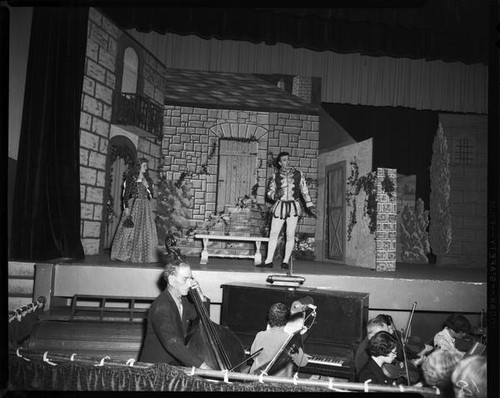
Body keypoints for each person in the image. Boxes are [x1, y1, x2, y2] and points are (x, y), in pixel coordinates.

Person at [139, 261, 211, 369]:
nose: (190, 283)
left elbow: (202, 317)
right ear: (172, 280)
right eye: (185, 279)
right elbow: (173, 344)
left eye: (190, 278)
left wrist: (200, 295)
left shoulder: (183, 300)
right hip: (155, 367)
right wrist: (202, 365)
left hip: (173, 364)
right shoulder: (162, 307)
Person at [257, 152, 316, 269]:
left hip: (293, 207)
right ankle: (268, 261)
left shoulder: (299, 174)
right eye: (284, 160)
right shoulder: (275, 176)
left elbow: (304, 191)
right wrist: (275, 195)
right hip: (279, 207)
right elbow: (269, 192)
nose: (287, 162)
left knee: (290, 234)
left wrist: (310, 206)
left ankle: (285, 261)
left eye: (288, 159)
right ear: (280, 163)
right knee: (273, 234)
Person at [111, 158, 159, 263]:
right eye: (144, 165)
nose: (146, 167)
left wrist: (147, 186)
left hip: (145, 207)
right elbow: (125, 195)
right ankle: (125, 254)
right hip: (133, 206)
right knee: (129, 231)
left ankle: (144, 256)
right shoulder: (131, 179)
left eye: (146, 165)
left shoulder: (148, 180)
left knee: (145, 232)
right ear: (138, 166)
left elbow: (151, 196)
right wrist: (126, 208)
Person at [249, 302, 309, 377]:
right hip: (277, 383)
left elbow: (253, 355)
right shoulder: (289, 340)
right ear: (287, 320)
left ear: (269, 318)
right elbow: (303, 362)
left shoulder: (260, 335)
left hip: (257, 379)